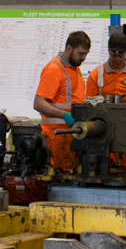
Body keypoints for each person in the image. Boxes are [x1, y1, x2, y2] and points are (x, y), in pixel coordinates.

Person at [85, 32, 126, 168]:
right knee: (107, 166)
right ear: (108, 51)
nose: (117, 59)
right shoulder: (96, 75)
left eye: (121, 55)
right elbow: (89, 106)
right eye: (114, 55)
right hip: (105, 133)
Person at [33, 31, 90, 172]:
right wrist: (64, 115)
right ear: (69, 48)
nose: (84, 58)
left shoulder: (74, 68)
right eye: (81, 53)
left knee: (74, 173)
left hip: (72, 133)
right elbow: (38, 103)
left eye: (86, 54)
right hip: (59, 135)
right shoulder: (54, 69)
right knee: (65, 175)